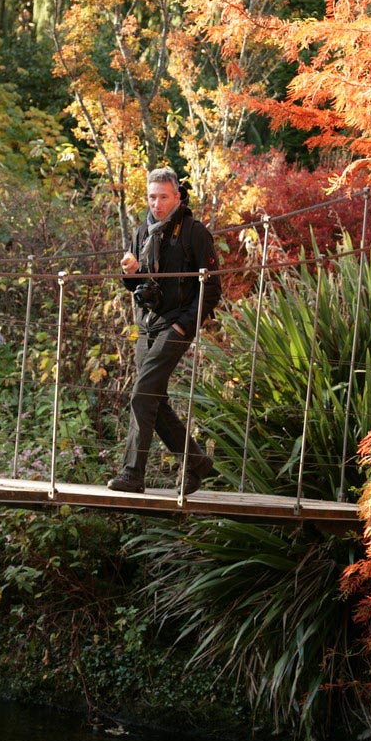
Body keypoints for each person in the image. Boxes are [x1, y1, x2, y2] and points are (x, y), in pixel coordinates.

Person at [107, 167, 221, 495]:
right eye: (151, 197)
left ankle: (132, 474)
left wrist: (184, 324)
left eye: (163, 197)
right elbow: (136, 284)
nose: (156, 204)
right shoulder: (143, 230)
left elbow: (212, 289)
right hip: (148, 323)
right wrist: (129, 272)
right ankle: (196, 461)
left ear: (177, 197)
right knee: (152, 399)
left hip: (177, 323)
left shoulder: (195, 232)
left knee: (142, 393)